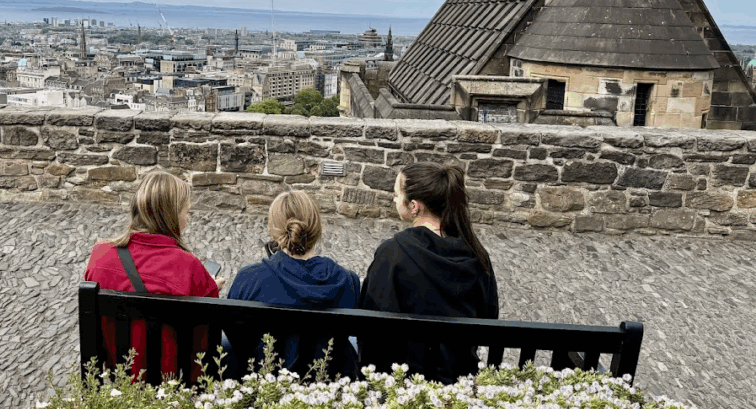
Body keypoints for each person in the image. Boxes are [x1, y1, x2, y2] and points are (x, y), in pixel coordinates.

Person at [358, 162, 499, 384]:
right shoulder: (476, 254)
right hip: (458, 374)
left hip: (405, 381)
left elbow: (372, 328)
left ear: (414, 206)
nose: (393, 199)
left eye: (396, 194)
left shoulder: (393, 254)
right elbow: (489, 317)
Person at [84, 170, 224, 382]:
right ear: (172, 216)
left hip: (118, 378)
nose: (187, 219)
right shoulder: (190, 268)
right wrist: (208, 289)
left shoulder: (100, 256)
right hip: (168, 386)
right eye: (187, 212)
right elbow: (202, 351)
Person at [225, 190, 360, 379]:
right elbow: (350, 331)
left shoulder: (249, 279)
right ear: (316, 228)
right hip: (327, 383)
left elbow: (236, 337)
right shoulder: (347, 280)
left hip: (267, 381)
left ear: (274, 230)